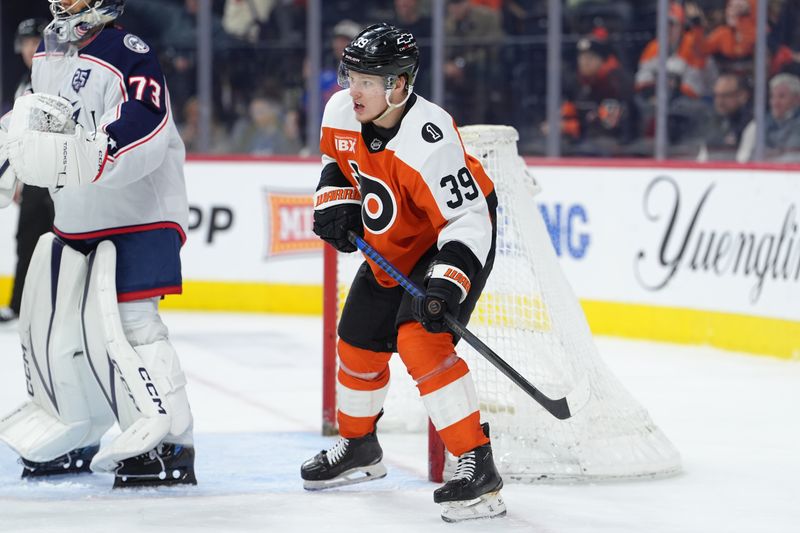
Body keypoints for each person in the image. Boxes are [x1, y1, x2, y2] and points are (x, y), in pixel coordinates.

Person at [301, 23, 505, 523]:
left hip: (448, 239)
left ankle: (477, 465)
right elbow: (338, 160)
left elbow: (469, 219)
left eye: (368, 82)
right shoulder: (341, 110)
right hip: (391, 240)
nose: (354, 90)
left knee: (421, 342)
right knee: (357, 340)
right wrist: (336, 199)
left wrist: (446, 282)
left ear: (399, 85)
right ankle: (360, 448)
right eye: (352, 77)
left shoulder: (429, 139)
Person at [0, 0, 195, 488]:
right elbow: (36, 120)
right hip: (77, 215)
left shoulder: (129, 51)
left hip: (138, 214)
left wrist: (91, 154)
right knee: (61, 329)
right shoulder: (48, 53)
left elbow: (145, 122)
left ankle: (172, 442)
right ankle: (77, 429)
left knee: (133, 326)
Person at [0, 18, 55, 325]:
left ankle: (61, 306)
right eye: (26, 44)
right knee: (27, 239)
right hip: (33, 176)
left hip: (59, 174)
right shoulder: (25, 83)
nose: (30, 49)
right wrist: (17, 176)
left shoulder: (59, 77)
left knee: (63, 241)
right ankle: (19, 304)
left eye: (36, 43)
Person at [737, 73, 800, 162]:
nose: (775, 102)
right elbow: (744, 157)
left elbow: (794, 156)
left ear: (797, 99)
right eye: (772, 97)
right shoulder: (758, 125)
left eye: (781, 96)